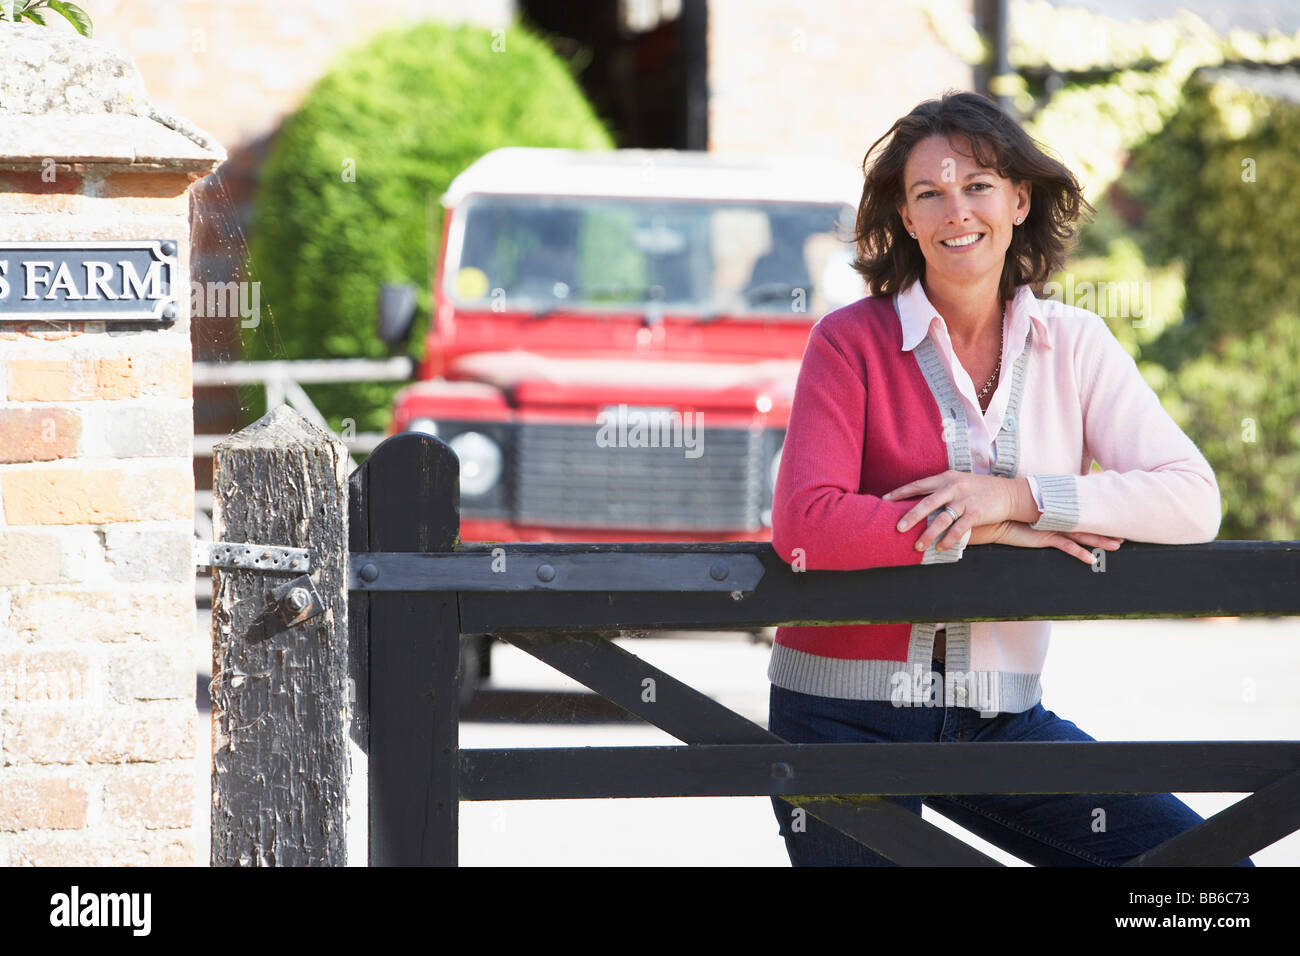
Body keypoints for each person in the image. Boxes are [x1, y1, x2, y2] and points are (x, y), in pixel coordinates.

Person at [766, 89, 1250, 867]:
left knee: (1206, 871)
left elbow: (1192, 498)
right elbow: (806, 525)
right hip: (840, 717)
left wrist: (1023, 498)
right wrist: (989, 529)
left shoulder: (1077, 345)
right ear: (908, 217)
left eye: (978, 186)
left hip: (997, 716)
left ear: (1019, 199)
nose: (957, 211)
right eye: (930, 194)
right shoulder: (847, 342)